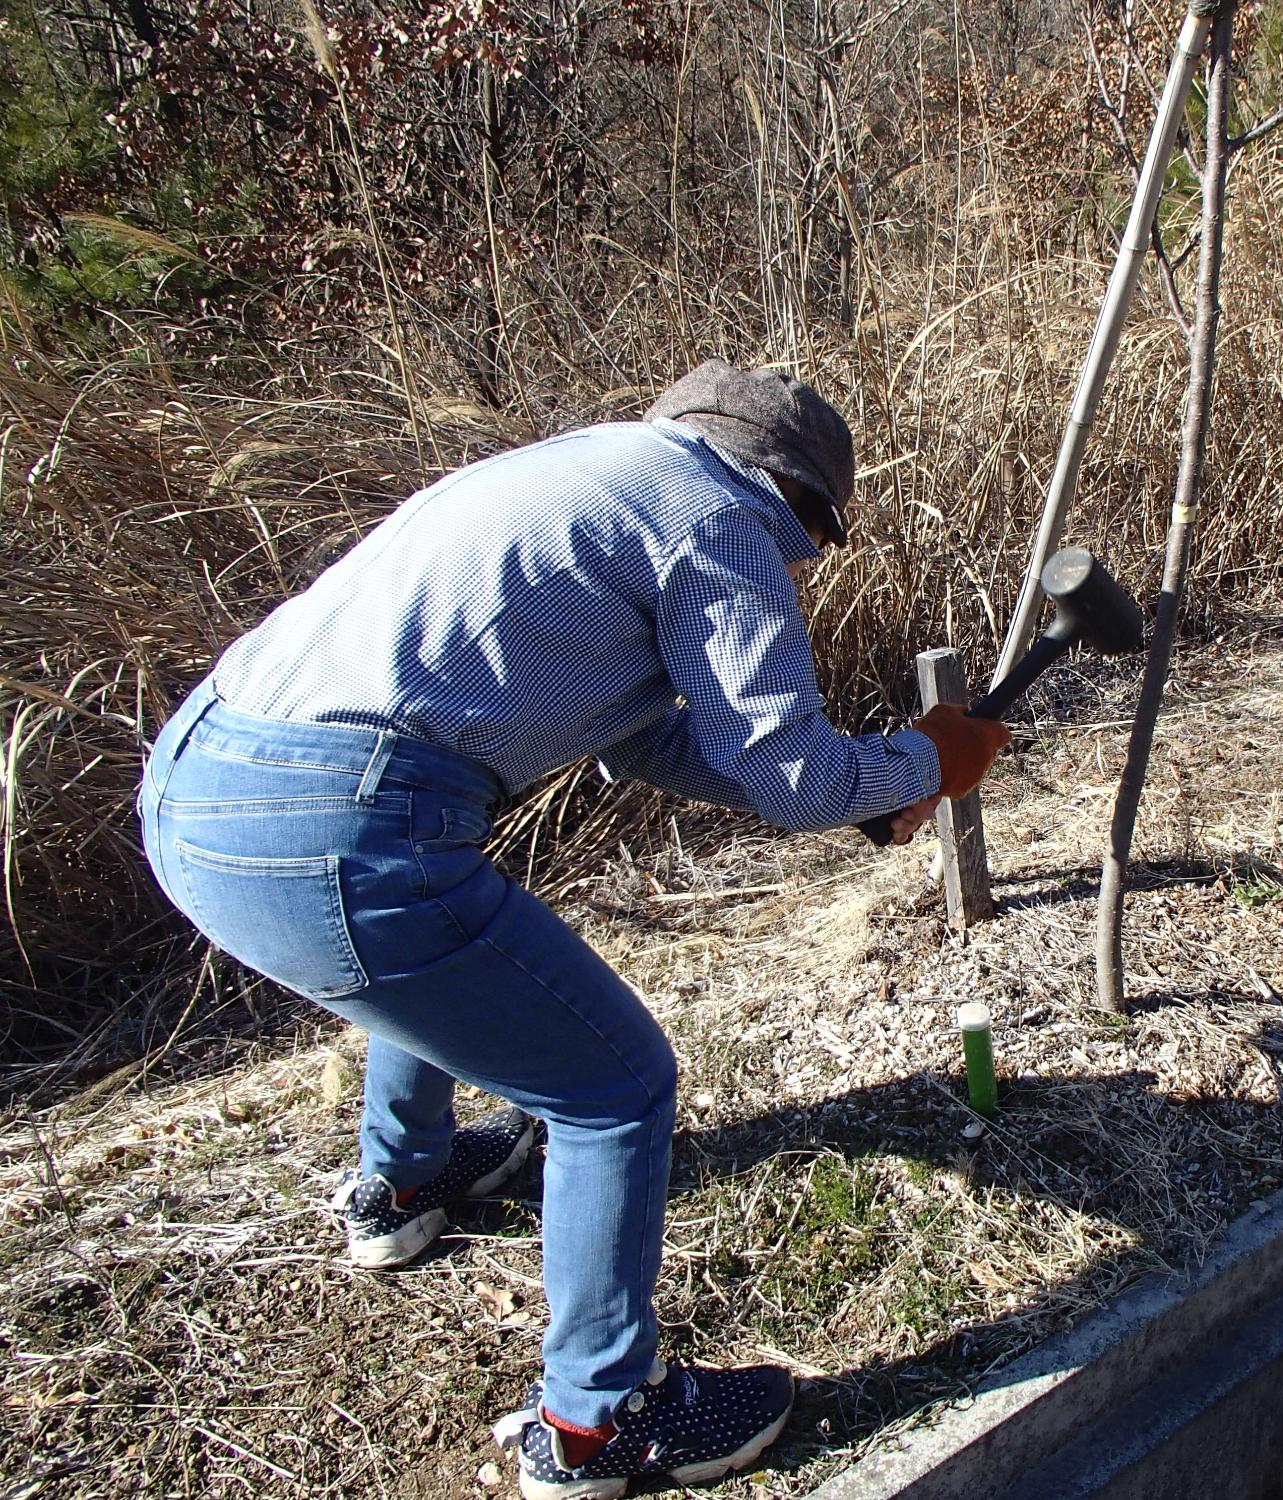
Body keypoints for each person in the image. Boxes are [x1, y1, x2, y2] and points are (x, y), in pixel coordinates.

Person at [135, 360, 1012, 1498]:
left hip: (197, 789)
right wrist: (920, 762)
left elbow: (636, 740)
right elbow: (791, 772)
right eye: (811, 541)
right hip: (339, 836)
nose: (797, 565)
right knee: (615, 1087)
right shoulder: (724, 515)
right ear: (791, 496)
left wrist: (865, 790)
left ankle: (402, 1189)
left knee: (455, 941)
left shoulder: (583, 476)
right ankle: (602, 1424)